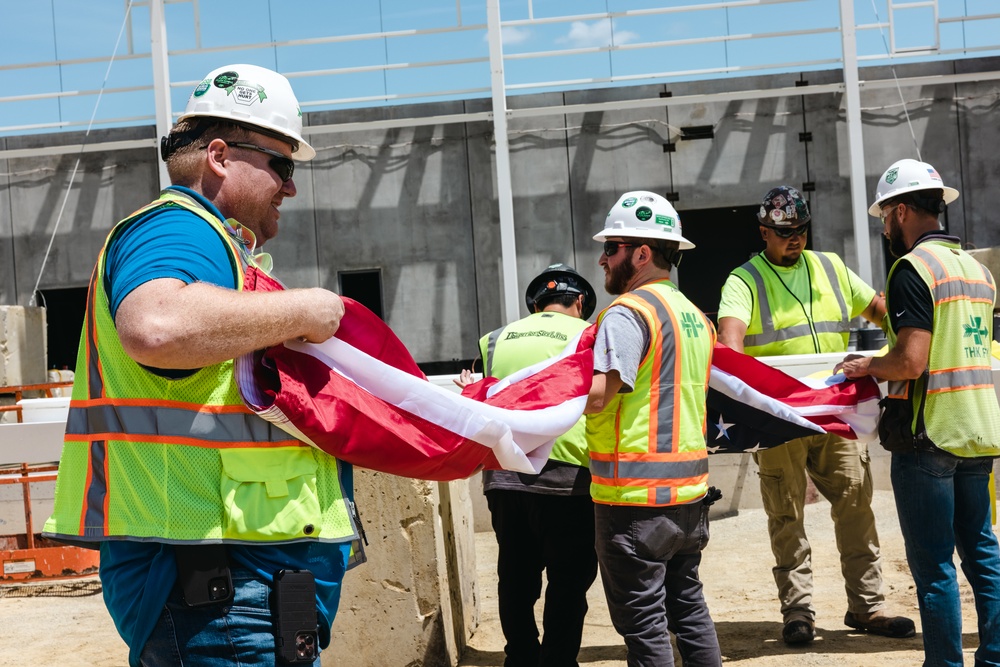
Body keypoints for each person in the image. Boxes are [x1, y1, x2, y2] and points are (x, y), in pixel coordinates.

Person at [42, 64, 363, 667]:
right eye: (282, 164)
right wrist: (311, 308)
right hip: (217, 596)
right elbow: (155, 325)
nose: (290, 187)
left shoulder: (212, 246)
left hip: (235, 590)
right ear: (219, 155)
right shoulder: (181, 228)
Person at [716, 185, 914, 645]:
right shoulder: (744, 281)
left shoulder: (831, 267)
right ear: (764, 232)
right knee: (786, 515)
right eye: (785, 232)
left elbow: (880, 310)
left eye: (801, 229)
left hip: (835, 410)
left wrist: (911, 335)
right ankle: (798, 611)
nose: (796, 238)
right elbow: (730, 345)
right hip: (779, 418)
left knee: (855, 506)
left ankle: (867, 606)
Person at [836, 158, 1000, 667]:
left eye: (885, 215)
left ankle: (945, 663)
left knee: (933, 568)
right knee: (984, 556)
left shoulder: (912, 269)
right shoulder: (977, 270)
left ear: (902, 210)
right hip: (978, 428)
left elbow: (910, 361)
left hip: (930, 435)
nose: (885, 226)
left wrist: (867, 364)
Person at [583, 191, 722, 667]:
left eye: (612, 247)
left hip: (634, 501)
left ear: (641, 254)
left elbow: (600, 393)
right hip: (688, 496)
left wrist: (528, 404)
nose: (602, 257)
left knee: (643, 625)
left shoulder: (627, 313)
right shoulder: (694, 317)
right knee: (688, 610)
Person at [468, 263, 599, 667]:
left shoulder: (494, 339)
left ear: (536, 305)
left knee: (516, 575)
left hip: (504, 473)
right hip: (567, 473)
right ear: (579, 302)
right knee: (569, 578)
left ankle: (520, 656)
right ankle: (558, 661)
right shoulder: (590, 334)